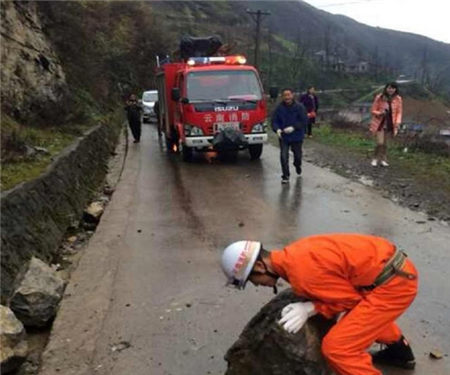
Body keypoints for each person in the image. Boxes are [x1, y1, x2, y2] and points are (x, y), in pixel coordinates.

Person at [221, 233, 418, 375]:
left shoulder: (302, 273)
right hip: (388, 273)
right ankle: (401, 352)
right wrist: (314, 307)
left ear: (258, 266)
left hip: (394, 284)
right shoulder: (292, 257)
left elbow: (350, 301)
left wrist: (312, 308)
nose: (256, 284)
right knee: (360, 320)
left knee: (337, 349)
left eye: (251, 279)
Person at [272, 88, 308, 184]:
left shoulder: (300, 107)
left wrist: (294, 127)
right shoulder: (279, 108)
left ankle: (297, 165)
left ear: (292, 95)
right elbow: (274, 121)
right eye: (285, 95)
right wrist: (277, 129)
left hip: (296, 136)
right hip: (284, 137)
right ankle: (285, 176)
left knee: (297, 156)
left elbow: (304, 121)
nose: (287, 97)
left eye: (289, 95)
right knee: (283, 156)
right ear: (282, 97)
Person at [370, 82, 403, 167]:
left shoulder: (398, 99)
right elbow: (373, 110)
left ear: (395, 89)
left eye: (393, 88)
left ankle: (383, 160)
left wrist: (398, 122)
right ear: (386, 88)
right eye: (389, 88)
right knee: (380, 143)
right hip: (380, 123)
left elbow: (399, 112)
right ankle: (375, 158)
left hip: (390, 124)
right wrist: (380, 113)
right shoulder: (380, 97)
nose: (391, 90)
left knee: (385, 144)